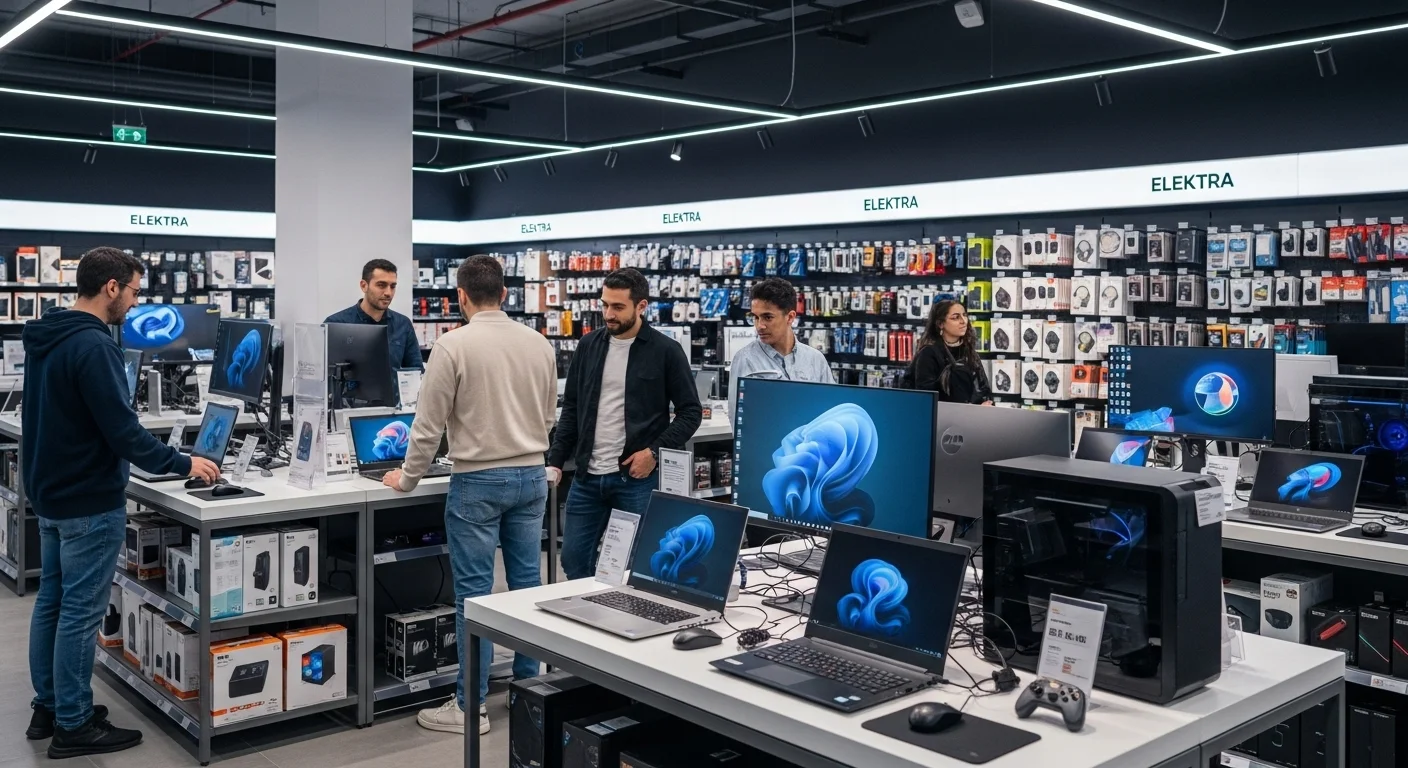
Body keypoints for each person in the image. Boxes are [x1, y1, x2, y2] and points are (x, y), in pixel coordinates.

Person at [24, 247, 219, 758]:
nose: (135, 304)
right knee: (80, 614)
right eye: (133, 291)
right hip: (87, 498)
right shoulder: (94, 347)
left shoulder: (49, 335)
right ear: (111, 287)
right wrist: (184, 464)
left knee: (53, 603)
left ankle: (50, 706)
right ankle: (73, 723)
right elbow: (124, 434)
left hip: (50, 491)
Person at [379, 255, 556, 737]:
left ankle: (469, 708)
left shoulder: (451, 345)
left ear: (460, 297)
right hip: (531, 476)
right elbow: (547, 418)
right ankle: (528, 695)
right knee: (526, 591)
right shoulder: (539, 343)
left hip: (477, 481)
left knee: (473, 598)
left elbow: (427, 426)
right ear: (504, 293)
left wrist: (407, 479)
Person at [547, 268, 702, 580]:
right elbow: (573, 408)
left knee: (633, 566)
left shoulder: (665, 351)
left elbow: (690, 412)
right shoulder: (589, 345)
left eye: (617, 307)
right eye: (605, 305)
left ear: (641, 306)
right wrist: (555, 461)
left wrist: (654, 452)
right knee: (574, 561)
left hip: (635, 479)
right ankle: (586, 622)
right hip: (587, 477)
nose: (608, 314)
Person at [727, 277, 835, 411]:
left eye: (768, 317)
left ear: (790, 317)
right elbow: (737, 417)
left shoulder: (815, 359)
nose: (759, 326)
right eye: (755, 317)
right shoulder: (745, 359)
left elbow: (830, 409)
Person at [324, 258, 424, 400]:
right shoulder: (336, 324)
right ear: (364, 286)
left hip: (393, 411)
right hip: (348, 412)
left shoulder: (403, 324)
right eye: (381, 285)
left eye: (392, 286)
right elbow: (322, 375)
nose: (388, 292)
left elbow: (415, 371)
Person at [906, 299, 993, 404]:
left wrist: (985, 404)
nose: (963, 321)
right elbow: (926, 398)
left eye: (964, 315)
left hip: (970, 417)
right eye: (956, 317)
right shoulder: (929, 353)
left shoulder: (970, 353)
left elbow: (984, 390)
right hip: (942, 417)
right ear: (940, 324)